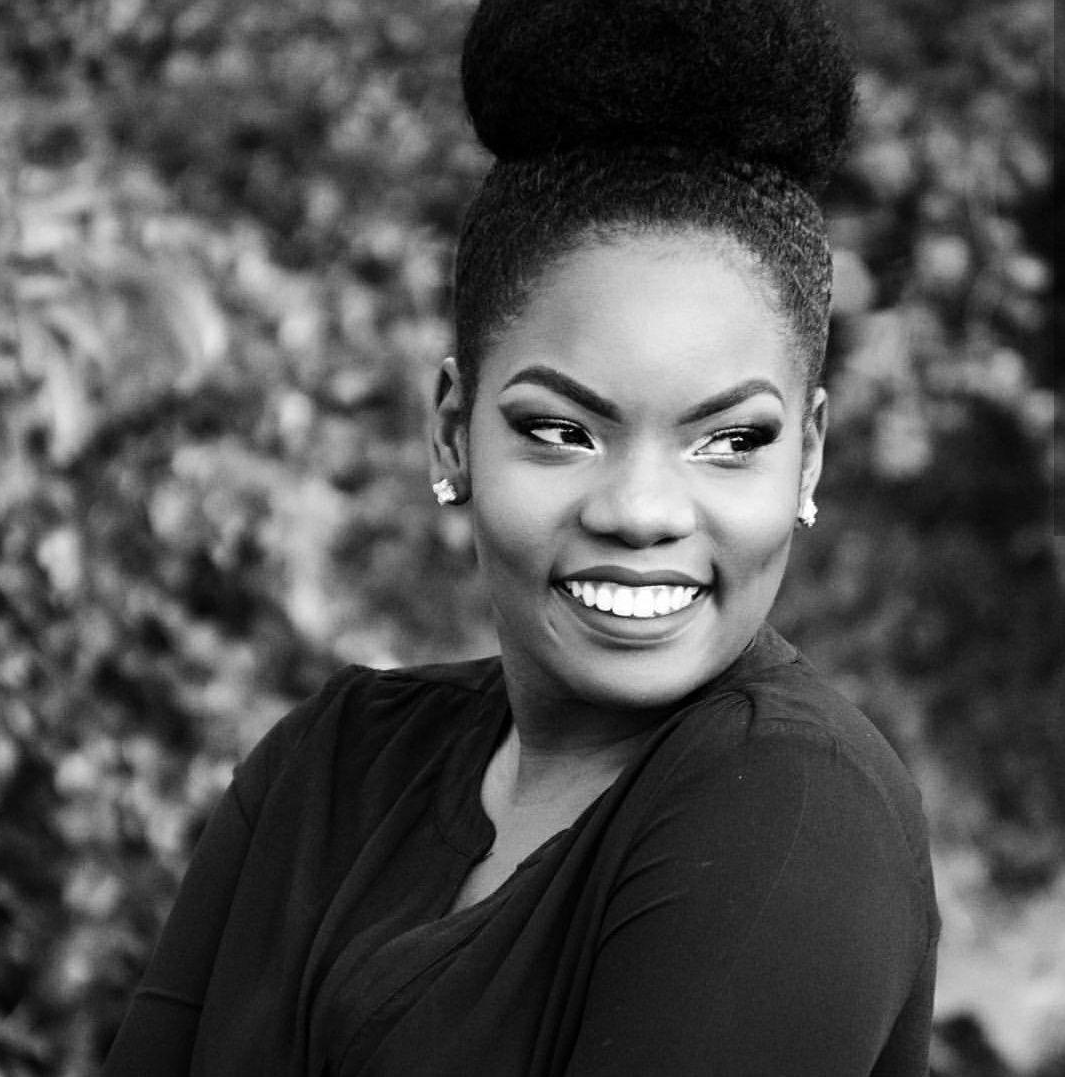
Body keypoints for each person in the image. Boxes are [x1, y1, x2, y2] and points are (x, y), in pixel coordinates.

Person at [104, 0, 940, 1073]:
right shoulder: (325, 771)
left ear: (808, 459)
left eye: (728, 440)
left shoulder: (791, 806)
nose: (640, 511)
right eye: (561, 431)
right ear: (453, 429)